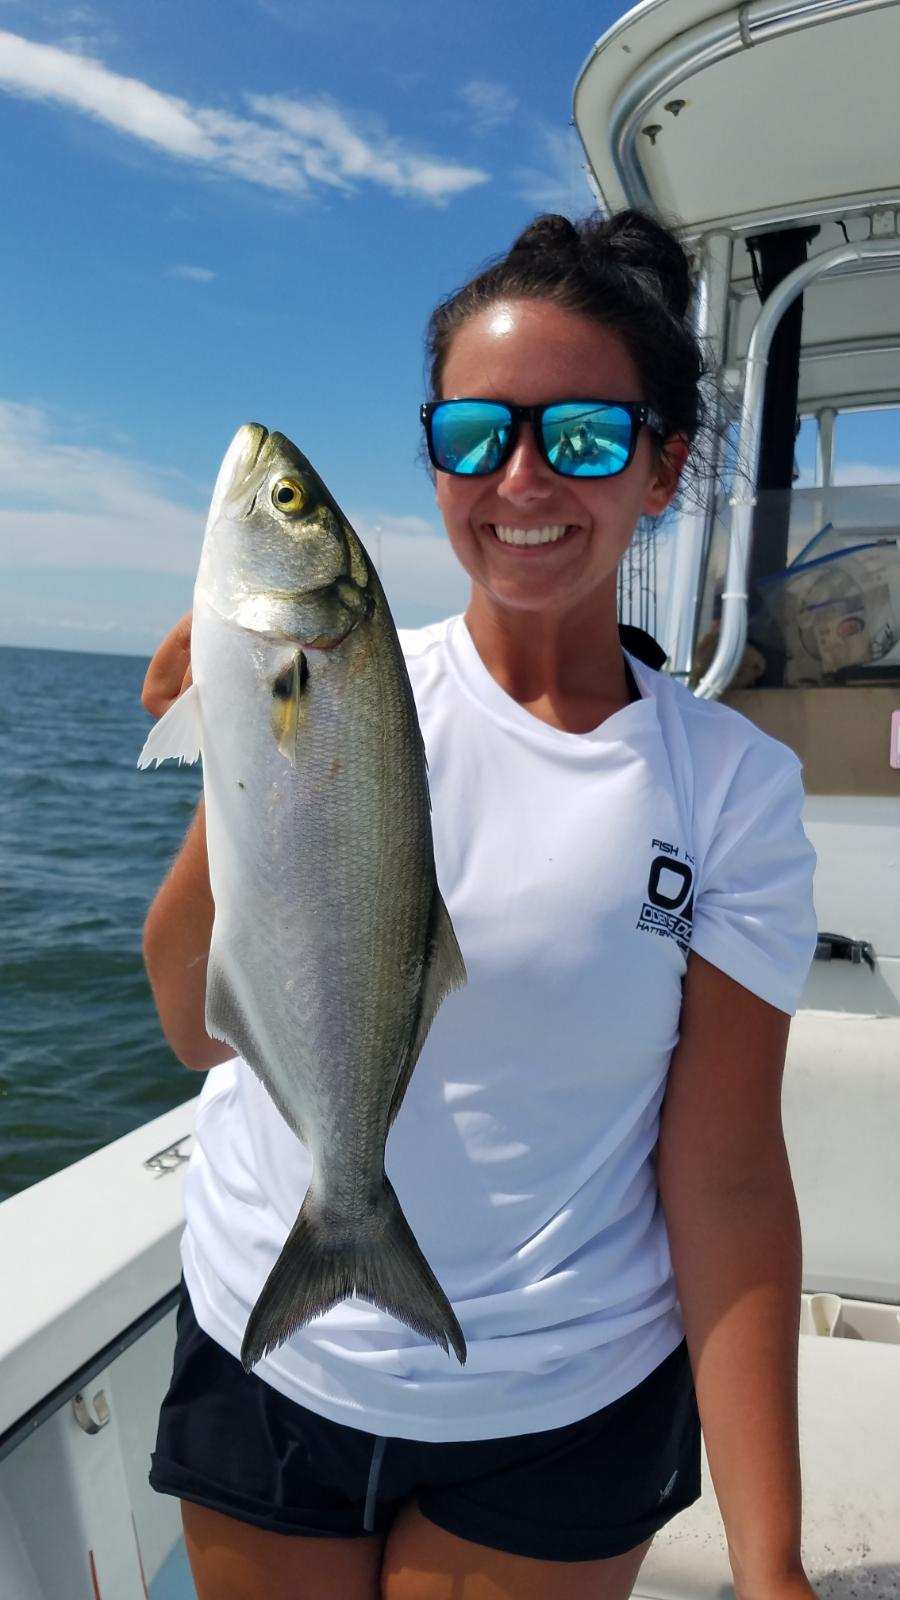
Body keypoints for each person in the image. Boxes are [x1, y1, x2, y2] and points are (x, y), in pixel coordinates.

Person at [142, 209, 820, 1600]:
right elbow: (191, 1027)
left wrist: (772, 1568)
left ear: (663, 465)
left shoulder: (730, 787)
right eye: (474, 435)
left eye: (579, 436)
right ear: (435, 455)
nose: (520, 477)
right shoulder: (337, 680)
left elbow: (731, 1174)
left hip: (561, 1400)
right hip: (265, 1342)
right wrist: (244, 736)